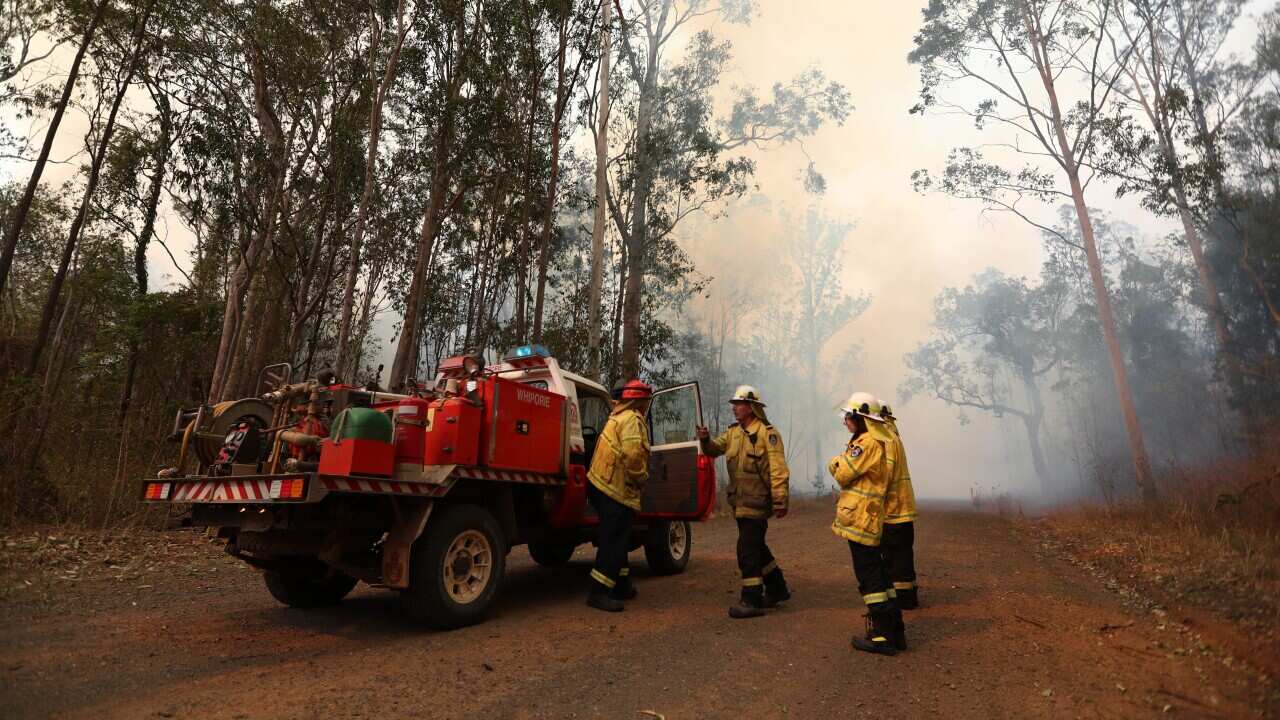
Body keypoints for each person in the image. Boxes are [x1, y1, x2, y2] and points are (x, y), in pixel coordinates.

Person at [696, 385, 791, 619]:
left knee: (746, 550)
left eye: (738, 404)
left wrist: (780, 500)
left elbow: (778, 469)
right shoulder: (733, 433)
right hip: (739, 503)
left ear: (751, 407)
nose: (734, 408)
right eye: (734, 404)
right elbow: (713, 450)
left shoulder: (767, 434)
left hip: (758, 503)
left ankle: (752, 599)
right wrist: (705, 439)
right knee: (757, 548)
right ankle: (778, 590)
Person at [828, 392, 905, 655]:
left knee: (869, 577)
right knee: (881, 574)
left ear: (860, 417)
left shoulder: (866, 443)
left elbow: (842, 473)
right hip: (868, 518)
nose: (845, 421)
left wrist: (835, 461)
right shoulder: (878, 440)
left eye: (848, 416)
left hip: (860, 519)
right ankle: (895, 631)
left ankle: (881, 637)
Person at [585, 379, 653, 612]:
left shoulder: (617, 417)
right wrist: (641, 478)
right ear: (639, 401)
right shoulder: (632, 420)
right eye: (646, 401)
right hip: (613, 489)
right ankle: (598, 592)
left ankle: (621, 584)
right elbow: (634, 456)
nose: (646, 405)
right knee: (612, 541)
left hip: (602, 485)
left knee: (620, 538)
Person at [878, 401, 920, 609]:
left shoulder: (884, 439)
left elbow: (884, 473)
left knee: (894, 555)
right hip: (903, 507)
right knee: (903, 553)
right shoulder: (895, 435)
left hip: (892, 509)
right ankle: (909, 595)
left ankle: (902, 599)